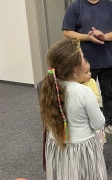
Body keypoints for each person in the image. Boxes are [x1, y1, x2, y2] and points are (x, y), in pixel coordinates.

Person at [62, 0, 112, 138]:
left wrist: (104, 36)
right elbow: (67, 33)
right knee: (83, 96)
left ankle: (111, 123)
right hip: (83, 64)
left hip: (107, 60)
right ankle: (87, 126)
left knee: (108, 95)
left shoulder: (111, 5)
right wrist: (88, 37)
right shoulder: (75, 7)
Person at [39, 38, 107, 180]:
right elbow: (98, 124)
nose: (84, 58)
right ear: (76, 69)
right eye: (82, 57)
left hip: (57, 145)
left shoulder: (50, 87)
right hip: (82, 148)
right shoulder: (85, 92)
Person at [79, 59, 106, 144]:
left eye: (89, 71)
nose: (90, 74)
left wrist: (89, 98)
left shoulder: (92, 81)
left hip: (94, 114)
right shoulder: (75, 87)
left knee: (99, 140)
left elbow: (98, 98)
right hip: (83, 119)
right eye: (86, 72)